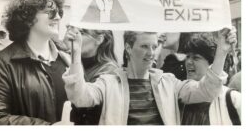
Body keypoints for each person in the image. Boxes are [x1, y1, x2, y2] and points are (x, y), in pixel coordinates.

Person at [63, 28, 236, 125]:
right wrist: (76, 53)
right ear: (129, 48)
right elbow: (80, 97)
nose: (151, 53)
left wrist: (222, 51)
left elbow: (208, 91)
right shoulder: (108, 83)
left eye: (154, 46)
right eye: (145, 46)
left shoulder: (169, 83)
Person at [0, 0, 70, 125]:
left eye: (58, 12)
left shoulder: (66, 59)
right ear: (28, 18)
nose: (57, 17)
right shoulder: (2, 63)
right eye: (50, 12)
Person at [179, 32, 241, 125]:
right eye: (187, 57)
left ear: (212, 63)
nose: (188, 62)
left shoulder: (233, 99)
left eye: (196, 58)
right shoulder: (180, 94)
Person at [67, 28, 119, 125]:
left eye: (82, 32)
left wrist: (74, 54)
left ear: (99, 39)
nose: (75, 36)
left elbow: (83, 101)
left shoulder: (109, 71)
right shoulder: (67, 59)